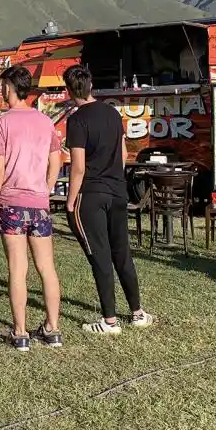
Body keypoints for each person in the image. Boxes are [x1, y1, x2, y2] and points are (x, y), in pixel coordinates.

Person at [63, 64, 153, 335]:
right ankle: (137, 313)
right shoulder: (113, 113)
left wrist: (70, 200)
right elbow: (124, 153)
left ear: (69, 91)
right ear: (91, 86)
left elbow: (78, 167)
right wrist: (114, 177)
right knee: (122, 253)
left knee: (100, 256)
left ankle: (109, 321)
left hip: (91, 194)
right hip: (117, 191)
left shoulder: (76, 120)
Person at [0, 65, 64, 351]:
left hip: (11, 202)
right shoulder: (45, 122)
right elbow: (56, 160)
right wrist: (47, 187)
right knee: (47, 267)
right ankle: (53, 328)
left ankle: (20, 332)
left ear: (9, 88)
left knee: (17, 268)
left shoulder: (1, 124)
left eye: (2, 87)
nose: (1, 91)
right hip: (39, 202)